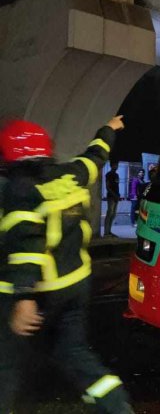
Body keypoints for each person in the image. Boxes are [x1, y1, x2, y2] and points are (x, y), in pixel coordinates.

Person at [0, 116, 132, 413]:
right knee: (73, 352)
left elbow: (28, 243)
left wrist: (23, 296)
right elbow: (95, 156)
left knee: (5, 362)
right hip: (76, 285)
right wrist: (109, 129)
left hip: (40, 291)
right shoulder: (72, 173)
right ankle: (115, 405)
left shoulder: (20, 190)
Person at [104, 161, 120, 237]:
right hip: (111, 196)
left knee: (113, 214)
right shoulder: (108, 174)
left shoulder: (117, 175)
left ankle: (109, 231)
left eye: (117, 165)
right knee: (109, 213)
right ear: (111, 166)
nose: (116, 166)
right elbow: (107, 187)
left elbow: (117, 186)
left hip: (116, 196)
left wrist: (118, 195)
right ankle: (106, 232)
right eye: (115, 165)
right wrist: (114, 194)